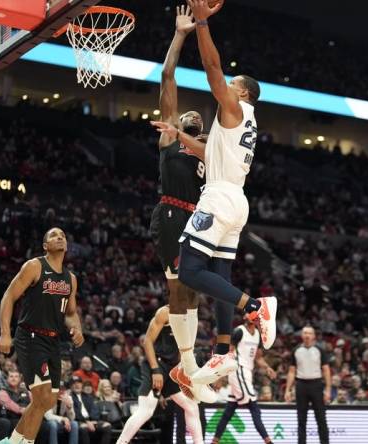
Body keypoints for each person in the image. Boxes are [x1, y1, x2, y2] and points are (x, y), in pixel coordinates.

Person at [150, 0, 276, 387]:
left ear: (243, 94)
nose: (226, 88)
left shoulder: (235, 109)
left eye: (233, 86)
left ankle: (256, 307)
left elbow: (212, 69)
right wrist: (180, 136)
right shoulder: (243, 126)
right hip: (235, 200)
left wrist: (202, 23)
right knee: (218, 273)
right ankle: (223, 355)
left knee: (189, 271)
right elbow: (210, 152)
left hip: (217, 198)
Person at [148, 4, 215, 402]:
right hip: (172, 214)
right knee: (178, 291)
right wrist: (180, 34)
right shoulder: (170, 136)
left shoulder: (207, 148)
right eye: (183, 113)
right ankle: (188, 366)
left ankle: (187, 366)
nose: (188, 113)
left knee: (193, 294)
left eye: (194, 114)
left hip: (196, 221)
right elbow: (167, 75)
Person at [0, 227, 85, 444]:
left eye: (63, 235)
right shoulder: (35, 266)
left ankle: (13, 441)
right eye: (54, 235)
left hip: (53, 340)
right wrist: (5, 333)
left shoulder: (70, 278)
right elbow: (8, 297)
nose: (60, 238)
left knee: (46, 401)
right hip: (30, 336)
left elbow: (71, 312)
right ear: (45, 246)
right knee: (42, 396)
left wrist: (78, 328)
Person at [115, 305, 203, 444]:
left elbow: (187, 347)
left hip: (174, 368)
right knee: (146, 411)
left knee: (191, 406)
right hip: (157, 364)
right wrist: (155, 370)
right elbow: (147, 342)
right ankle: (121, 442)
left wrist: (184, 370)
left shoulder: (191, 315)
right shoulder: (165, 312)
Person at [212, 314, 277, 444]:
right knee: (254, 408)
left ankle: (215, 441)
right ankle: (268, 441)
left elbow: (258, 357)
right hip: (238, 370)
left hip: (247, 372)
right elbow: (228, 353)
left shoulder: (257, 334)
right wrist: (220, 375)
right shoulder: (239, 331)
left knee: (228, 411)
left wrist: (267, 367)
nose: (247, 317)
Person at [284, 326, 331, 444]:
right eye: (305, 333)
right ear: (301, 335)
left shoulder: (320, 350)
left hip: (316, 384)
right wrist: (287, 390)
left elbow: (326, 370)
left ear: (314, 336)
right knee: (301, 420)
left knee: (321, 419)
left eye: (310, 333)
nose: (307, 335)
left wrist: (328, 390)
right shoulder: (296, 350)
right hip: (301, 385)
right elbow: (291, 371)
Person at [69, 376, 112, 444]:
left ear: (82, 385)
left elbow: (95, 411)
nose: (77, 385)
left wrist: (92, 421)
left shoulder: (88, 396)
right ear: (71, 386)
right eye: (74, 383)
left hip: (92, 421)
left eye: (79, 383)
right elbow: (75, 414)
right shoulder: (69, 397)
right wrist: (86, 422)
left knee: (107, 425)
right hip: (78, 422)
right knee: (84, 427)